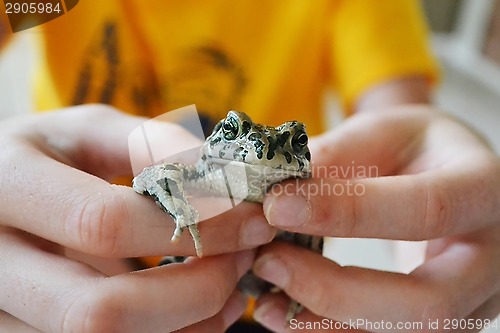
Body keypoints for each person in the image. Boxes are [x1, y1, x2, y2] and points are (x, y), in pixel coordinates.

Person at [0, 1, 498, 333]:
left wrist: (436, 227)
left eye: (288, 142)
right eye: (241, 135)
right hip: (71, 269)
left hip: (267, 300)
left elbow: (400, 131)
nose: (263, 149)